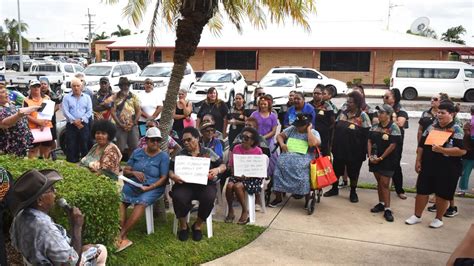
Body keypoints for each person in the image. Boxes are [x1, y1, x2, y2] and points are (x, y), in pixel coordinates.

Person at [9, 169, 107, 265]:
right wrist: (76, 226)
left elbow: (15, 242)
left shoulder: (20, 216)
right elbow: (72, 262)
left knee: (90, 249)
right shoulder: (47, 229)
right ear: (40, 200)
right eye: (51, 189)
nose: (55, 192)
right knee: (101, 250)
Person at [405, 101, 466, 229]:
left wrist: (443, 150)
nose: (439, 115)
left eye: (443, 113)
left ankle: (438, 219)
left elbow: (462, 150)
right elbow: (421, 145)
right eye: (438, 112)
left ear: (452, 114)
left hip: (448, 168)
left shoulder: (457, 129)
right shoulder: (432, 127)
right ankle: (417, 216)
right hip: (428, 165)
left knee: (442, 194)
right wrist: (418, 161)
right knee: (422, 191)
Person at [169, 127, 226, 241]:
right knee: (178, 196)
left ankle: (198, 225)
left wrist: (216, 170)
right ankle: (184, 226)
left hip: (205, 184)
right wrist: (173, 176)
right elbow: (170, 169)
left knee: (209, 198)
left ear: (197, 138)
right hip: (185, 185)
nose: (186, 142)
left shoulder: (207, 152)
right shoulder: (180, 154)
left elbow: (223, 165)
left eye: (189, 139)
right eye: (184, 141)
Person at [117, 127, 170, 251]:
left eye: (158, 140)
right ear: (146, 140)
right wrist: (134, 173)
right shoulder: (137, 152)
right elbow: (126, 171)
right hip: (134, 184)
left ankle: (122, 234)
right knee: (121, 200)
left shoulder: (163, 156)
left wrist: (150, 187)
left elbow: (163, 178)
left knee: (141, 203)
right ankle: (119, 229)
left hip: (153, 187)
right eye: (153, 140)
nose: (155, 143)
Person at [324, 91, 371, 202]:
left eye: (351, 102)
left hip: (355, 152)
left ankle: (353, 192)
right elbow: (335, 129)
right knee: (336, 170)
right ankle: (334, 189)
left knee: (353, 173)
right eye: (347, 101)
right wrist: (331, 145)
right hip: (339, 149)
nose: (348, 104)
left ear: (357, 103)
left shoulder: (363, 116)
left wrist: (365, 152)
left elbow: (367, 136)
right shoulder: (342, 113)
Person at [269, 113, 321, 207]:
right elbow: (279, 136)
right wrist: (282, 144)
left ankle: (306, 196)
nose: (299, 127)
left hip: (305, 156)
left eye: (301, 125)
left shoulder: (314, 132)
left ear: (308, 124)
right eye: (298, 125)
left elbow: (313, 143)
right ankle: (278, 197)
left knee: (300, 166)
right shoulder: (292, 129)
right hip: (288, 154)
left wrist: (309, 130)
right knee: (279, 164)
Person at [367, 104, 402, 222]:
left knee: (385, 183)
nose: (379, 114)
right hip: (374, 159)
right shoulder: (375, 126)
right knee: (379, 182)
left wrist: (381, 158)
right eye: (378, 112)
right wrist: (370, 155)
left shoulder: (394, 128)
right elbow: (369, 141)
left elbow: (393, 145)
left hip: (387, 160)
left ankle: (388, 208)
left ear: (388, 115)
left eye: (382, 112)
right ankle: (381, 203)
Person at [225, 127, 263, 224]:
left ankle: (244, 210)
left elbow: (259, 169)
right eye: (242, 137)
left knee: (237, 186)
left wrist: (248, 176)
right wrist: (235, 173)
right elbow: (231, 164)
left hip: (253, 178)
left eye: (246, 138)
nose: (243, 140)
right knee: (229, 186)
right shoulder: (236, 148)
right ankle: (230, 210)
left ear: (252, 141)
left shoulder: (258, 151)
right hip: (237, 175)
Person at [383, 88, 409, 200]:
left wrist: (391, 116)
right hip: (383, 139)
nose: (384, 99)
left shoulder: (400, 110)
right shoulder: (382, 109)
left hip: (395, 141)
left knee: (395, 164)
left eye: (387, 97)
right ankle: (383, 187)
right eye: (383, 97)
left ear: (394, 99)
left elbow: (400, 123)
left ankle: (399, 189)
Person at [61, 78, 93, 163]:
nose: (76, 88)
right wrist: (74, 121)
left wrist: (81, 119)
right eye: (74, 86)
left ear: (81, 86)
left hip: (84, 124)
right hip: (71, 125)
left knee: (84, 143)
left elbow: (89, 111)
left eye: (78, 86)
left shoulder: (87, 97)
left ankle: (85, 162)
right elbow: (65, 111)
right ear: (71, 87)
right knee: (71, 144)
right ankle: (71, 162)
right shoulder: (66, 97)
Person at [0, 85, 35, 156]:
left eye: (6, 91)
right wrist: (18, 115)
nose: (7, 93)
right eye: (3, 92)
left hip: (21, 144)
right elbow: (4, 124)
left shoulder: (10, 104)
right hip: (10, 146)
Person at [111, 77, 141, 159]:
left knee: (134, 146)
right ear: (120, 86)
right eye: (123, 85)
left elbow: (138, 111)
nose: (125, 87)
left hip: (132, 125)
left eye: (127, 85)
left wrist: (134, 123)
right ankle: (117, 165)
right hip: (120, 126)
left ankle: (131, 165)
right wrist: (120, 124)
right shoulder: (115, 97)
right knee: (120, 147)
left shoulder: (134, 97)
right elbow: (112, 112)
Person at [24, 80, 54, 159]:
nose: (36, 88)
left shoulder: (46, 98)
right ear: (30, 88)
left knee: (47, 148)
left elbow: (49, 113)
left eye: (38, 86)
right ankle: (32, 168)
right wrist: (38, 122)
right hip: (33, 128)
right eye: (34, 86)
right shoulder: (26, 100)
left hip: (46, 127)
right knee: (33, 150)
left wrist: (43, 123)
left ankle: (46, 167)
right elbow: (25, 115)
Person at [251, 95, 279, 176]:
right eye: (261, 104)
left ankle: (270, 177)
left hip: (268, 141)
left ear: (269, 104)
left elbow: (273, 131)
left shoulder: (273, 116)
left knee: (272, 158)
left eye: (265, 104)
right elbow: (250, 125)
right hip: (255, 140)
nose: (263, 106)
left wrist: (263, 138)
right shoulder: (254, 114)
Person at [308, 84, 335, 156]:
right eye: (314, 93)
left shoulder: (327, 106)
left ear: (322, 94)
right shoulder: (308, 105)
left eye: (318, 93)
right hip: (310, 136)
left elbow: (332, 123)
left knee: (323, 160)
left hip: (323, 138)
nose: (316, 95)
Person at [40, 77, 62, 158]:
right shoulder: (37, 94)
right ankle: (41, 155)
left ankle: (51, 153)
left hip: (51, 120)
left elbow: (58, 105)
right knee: (41, 139)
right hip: (40, 121)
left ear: (48, 85)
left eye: (45, 84)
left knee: (51, 139)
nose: (43, 86)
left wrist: (50, 112)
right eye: (41, 84)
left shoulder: (52, 94)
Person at [457, 107, 474, 197]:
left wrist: (467, 131)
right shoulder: (469, 124)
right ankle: (462, 190)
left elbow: (465, 138)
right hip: (469, 152)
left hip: (469, 152)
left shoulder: (468, 124)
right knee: (465, 171)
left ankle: (462, 190)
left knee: (465, 172)